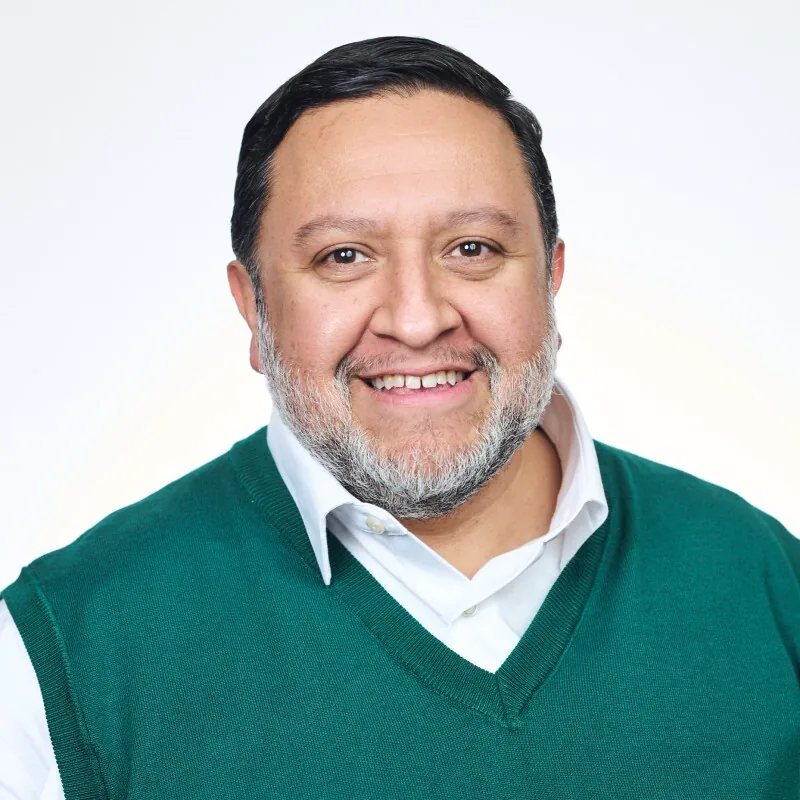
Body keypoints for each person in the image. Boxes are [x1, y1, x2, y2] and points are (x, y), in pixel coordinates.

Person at [1, 35, 798, 800]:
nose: (417, 321)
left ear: (552, 278)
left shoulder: (769, 584)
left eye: (474, 248)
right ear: (254, 309)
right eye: (344, 256)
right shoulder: (61, 654)